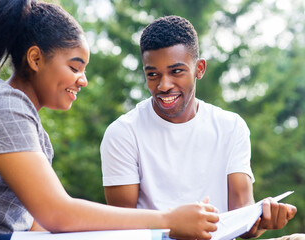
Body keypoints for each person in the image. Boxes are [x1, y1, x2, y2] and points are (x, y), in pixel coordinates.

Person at [0, 1, 220, 240]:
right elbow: (57, 213)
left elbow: (40, 224)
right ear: (35, 58)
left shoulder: (28, 124)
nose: (83, 80)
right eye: (75, 67)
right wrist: (169, 220)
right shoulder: (2, 105)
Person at [100, 15, 297, 239]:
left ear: (199, 68)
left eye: (176, 71)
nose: (163, 85)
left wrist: (262, 220)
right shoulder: (123, 133)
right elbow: (122, 226)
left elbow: (242, 215)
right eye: (153, 74)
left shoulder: (231, 127)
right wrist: (174, 227)